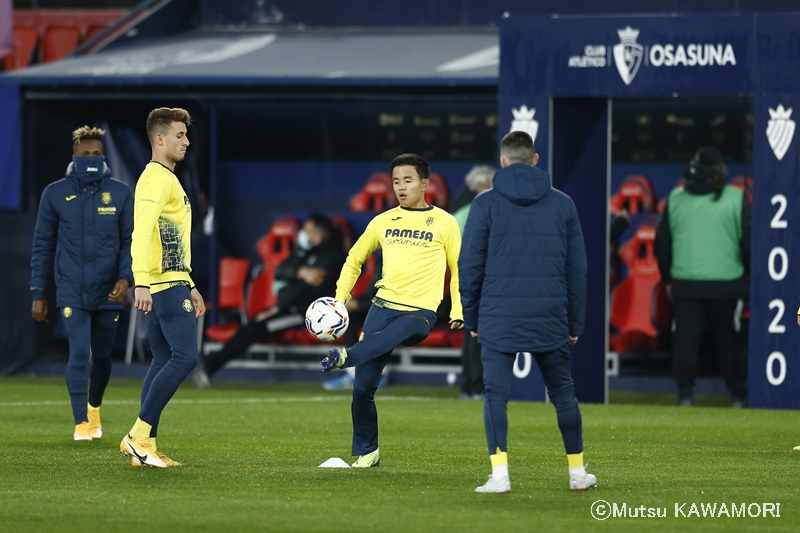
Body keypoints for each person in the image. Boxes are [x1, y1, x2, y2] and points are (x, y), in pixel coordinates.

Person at [459, 130, 596, 494]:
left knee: (495, 395)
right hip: (550, 313)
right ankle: (577, 472)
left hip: (497, 313)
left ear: (502, 162)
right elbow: (577, 269)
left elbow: (469, 266)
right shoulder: (563, 204)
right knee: (564, 394)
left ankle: (500, 475)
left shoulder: (484, 204)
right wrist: (575, 322)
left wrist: (471, 318)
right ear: (535, 160)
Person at [319, 153, 464, 467]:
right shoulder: (383, 221)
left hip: (420, 312)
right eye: (396, 181)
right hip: (382, 307)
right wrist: (339, 299)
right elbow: (354, 259)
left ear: (424, 184)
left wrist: (458, 309)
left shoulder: (445, 222)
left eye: (408, 180)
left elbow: (458, 267)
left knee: (397, 332)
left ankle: (347, 356)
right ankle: (368, 452)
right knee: (362, 390)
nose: (401, 187)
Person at [30, 126, 133, 441]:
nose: (91, 159)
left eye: (96, 154)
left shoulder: (120, 193)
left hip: (108, 290)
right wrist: (38, 292)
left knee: (102, 357)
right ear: (74, 155)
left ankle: (94, 409)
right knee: (79, 353)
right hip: (71, 288)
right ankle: (81, 424)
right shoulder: (55, 193)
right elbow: (42, 245)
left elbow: (131, 241)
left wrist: (126, 277)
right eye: (85, 154)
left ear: (103, 156)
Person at [119, 107, 205, 468]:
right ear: (159, 138)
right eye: (179, 135)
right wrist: (141, 281)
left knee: (162, 360)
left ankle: (145, 444)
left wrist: (191, 282)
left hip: (171, 281)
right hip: (162, 285)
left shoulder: (166, 178)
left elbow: (169, 240)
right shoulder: (156, 178)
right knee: (185, 357)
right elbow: (141, 231)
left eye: (186, 135)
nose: (186, 141)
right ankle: (138, 436)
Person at [194, 214, 346, 387]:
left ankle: (210, 362)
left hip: (306, 314)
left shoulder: (332, 259)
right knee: (253, 324)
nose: (303, 233)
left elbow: (303, 291)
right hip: (286, 307)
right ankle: (210, 363)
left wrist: (278, 307)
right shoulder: (305, 252)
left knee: (261, 326)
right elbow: (280, 271)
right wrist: (300, 272)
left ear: (319, 236)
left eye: (307, 231)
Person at [655, 146, 750, 408]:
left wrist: (668, 280)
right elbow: (749, 244)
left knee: (685, 342)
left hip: (686, 285)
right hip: (727, 285)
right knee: (729, 343)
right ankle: (738, 396)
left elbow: (662, 243)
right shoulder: (736, 197)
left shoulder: (675, 198)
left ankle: (685, 395)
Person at [452, 165, 495, 400]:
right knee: (477, 333)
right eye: (491, 184)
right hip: (474, 278)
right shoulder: (476, 209)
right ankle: (476, 386)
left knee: (470, 334)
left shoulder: (461, 210)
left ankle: (469, 385)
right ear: (481, 187)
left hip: (463, 278)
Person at [322, 254, 389, 391]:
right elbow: (373, 291)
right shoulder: (380, 258)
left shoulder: (397, 258)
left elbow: (391, 293)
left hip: (395, 307)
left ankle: (378, 374)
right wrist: (354, 302)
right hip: (375, 304)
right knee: (350, 318)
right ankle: (354, 373)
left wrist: (358, 304)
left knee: (377, 321)